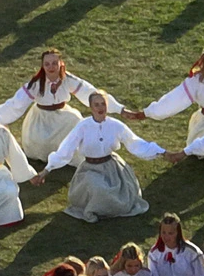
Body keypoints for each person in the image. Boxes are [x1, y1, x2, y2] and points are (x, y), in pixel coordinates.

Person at [44, 93, 175, 221]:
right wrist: (47, 170)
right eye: (96, 105)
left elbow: (135, 143)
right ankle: (97, 207)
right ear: (91, 107)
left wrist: (162, 152)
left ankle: (108, 208)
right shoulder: (83, 127)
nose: (100, 108)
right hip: (90, 168)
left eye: (103, 104)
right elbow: (65, 149)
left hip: (112, 168)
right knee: (97, 187)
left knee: (118, 195)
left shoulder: (115, 125)